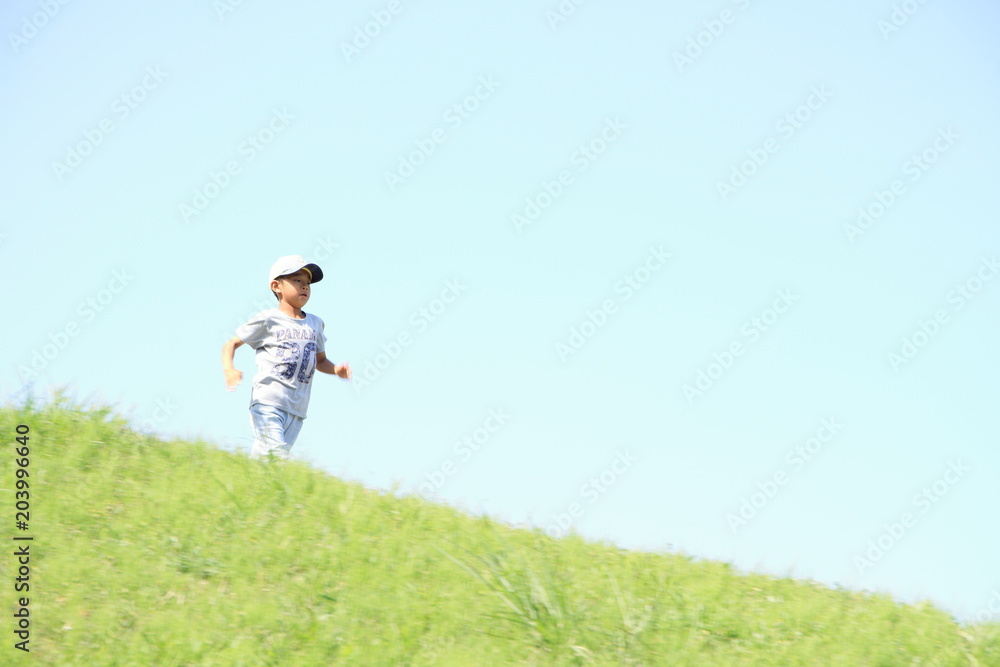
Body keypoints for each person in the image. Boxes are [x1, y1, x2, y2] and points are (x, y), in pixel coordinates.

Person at [221, 255, 351, 459]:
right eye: (297, 280)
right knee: (276, 455)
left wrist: (336, 370)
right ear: (276, 286)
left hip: (297, 409)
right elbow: (231, 344)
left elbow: (320, 360)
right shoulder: (269, 319)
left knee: (267, 464)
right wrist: (229, 369)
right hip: (268, 401)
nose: (305, 287)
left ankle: (247, 484)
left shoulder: (315, 323)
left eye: (308, 283)